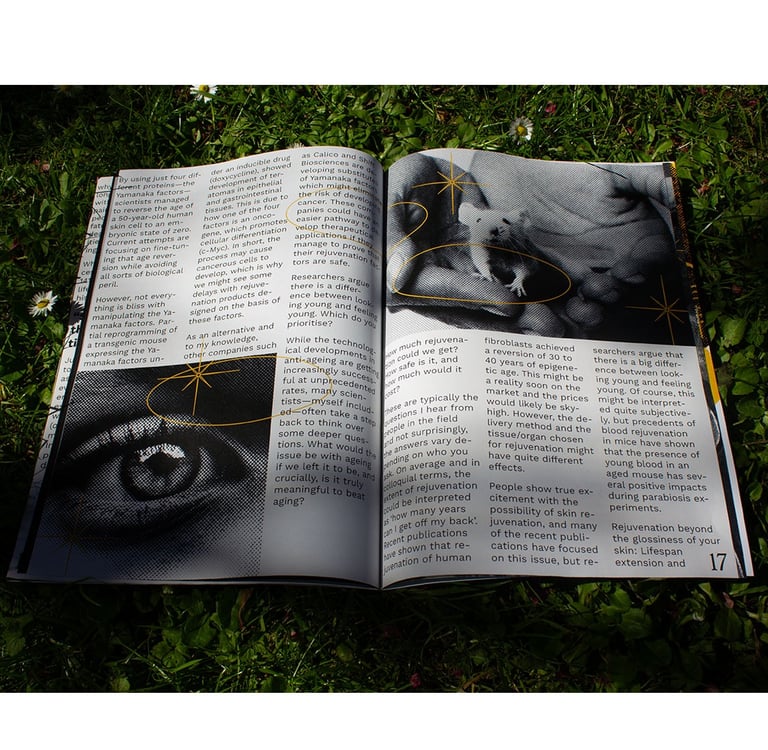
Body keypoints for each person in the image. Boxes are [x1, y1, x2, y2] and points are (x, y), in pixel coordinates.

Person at [386, 150, 683, 342]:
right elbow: (482, 260)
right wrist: (485, 275)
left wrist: (518, 279)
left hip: (543, 264)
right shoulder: (474, 236)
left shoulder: (515, 239)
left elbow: (524, 264)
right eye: (484, 225)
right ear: (470, 220)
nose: (493, 231)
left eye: (502, 224)